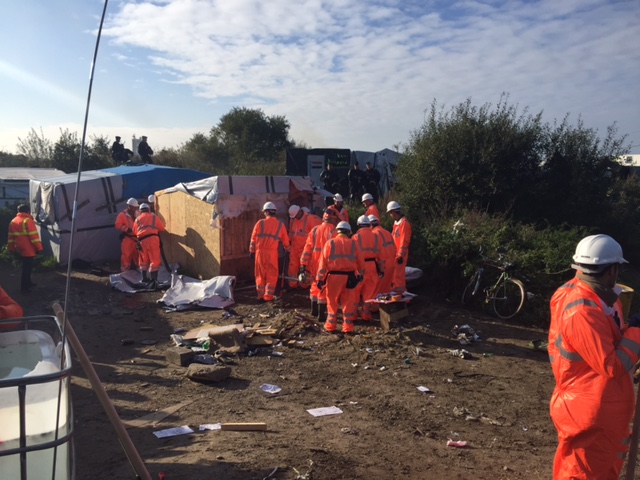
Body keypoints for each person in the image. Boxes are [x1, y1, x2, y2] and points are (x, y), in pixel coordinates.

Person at [548, 234, 640, 480]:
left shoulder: (601, 297)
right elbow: (612, 364)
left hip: (603, 407)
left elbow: (613, 339)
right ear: (612, 270)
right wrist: (637, 332)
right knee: (582, 474)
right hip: (590, 411)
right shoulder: (582, 309)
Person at [316, 221, 365, 334]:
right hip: (350, 277)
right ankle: (348, 327)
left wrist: (320, 279)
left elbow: (322, 263)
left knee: (332, 301)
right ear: (348, 232)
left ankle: (330, 326)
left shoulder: (330, 243)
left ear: (337, 230)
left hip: (333, 277)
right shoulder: (353, 244)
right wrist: (361, 275)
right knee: (348, 303)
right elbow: (361, 262)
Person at [300, 207, 339, 319]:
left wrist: (303, 264)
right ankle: (321, 314)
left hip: (314, 262)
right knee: (324, 286)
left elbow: (307, 249)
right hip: (327, 263)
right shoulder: (334, 231)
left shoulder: (315, 230)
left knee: (314, 285)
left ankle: (314, 310)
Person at [249, 202, 291, 302]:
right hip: (272, 253)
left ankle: (260, 295)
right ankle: (268, 296)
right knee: (272, 274)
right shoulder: (280, 225)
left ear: (267, 212)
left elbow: (253, 238)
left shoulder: (260, 223)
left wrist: (252, 251)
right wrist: (288, 249)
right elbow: (286, 241)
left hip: (260, 253)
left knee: (260, 274)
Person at [351, 215, 384, 321]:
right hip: (372, 266)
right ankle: (366, 314)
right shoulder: (375, 237)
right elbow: (380, 255)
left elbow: (352, 255)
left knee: (355, 291)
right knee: (369, 292)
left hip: (360, 267)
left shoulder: (356, 237)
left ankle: (353, 314)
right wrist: (381, 269)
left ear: (358, 225)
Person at [8, 204, 43, 293]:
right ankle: (24, 288)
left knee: (27, 266)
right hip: (28, 247)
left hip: (19, 247)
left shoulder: (13, 221)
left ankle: (29, 283)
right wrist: (39, 248)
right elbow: (34, 236)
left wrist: (11, 249)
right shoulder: (28, 220)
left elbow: (11, 237)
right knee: (27, 268)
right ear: (27, 211)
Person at [287, 205, 321, 289]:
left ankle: (305, 284)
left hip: (305, 249)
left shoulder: (310, 219)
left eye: (296, 216)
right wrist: (288, 243)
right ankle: (293, 284)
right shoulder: (293, 220)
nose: (295, 218)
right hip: (294, 248)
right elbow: (291, 233)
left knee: (306, 267)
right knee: (293, 267)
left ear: (300, 212)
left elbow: (316, 234)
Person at [133, 203, 165, 289]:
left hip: (142, 241)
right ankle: (154, 280)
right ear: (149, 210)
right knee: (154, 260)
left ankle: (144, 279)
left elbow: (134, 231)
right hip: (153, 239)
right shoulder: (154, 217)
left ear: (140, 211)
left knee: (143, 259)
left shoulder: (137, 219)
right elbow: (161, 228)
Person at [387, 201, 412, 293]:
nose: (390, 215)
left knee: (399, 276)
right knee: (395, 276)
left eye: (390, 213)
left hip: (400, 255)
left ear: (393, 212)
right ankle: (397, 295)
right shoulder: (397, 223)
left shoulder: (404, 224)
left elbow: (404, 241)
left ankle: (403, 297)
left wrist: (401, 255)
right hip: (396, 254)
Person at [370, 215, 396, 296]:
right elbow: (394, 248)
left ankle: (376, 307)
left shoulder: (373, 234)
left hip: (382, 265)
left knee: (378, 289)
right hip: (392, 264)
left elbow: (374, 252)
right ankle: (386, 307)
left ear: (370, 225)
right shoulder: (387, 232)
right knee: (387, 288)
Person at [115, 198, 140, 272]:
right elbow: (117, 225)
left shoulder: (138, 213)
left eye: (136, 207)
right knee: (126, 255)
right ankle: (125, 271)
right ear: (129, 206)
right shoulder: (122, 215)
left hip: (137, 238)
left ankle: (139, 270)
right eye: (134, 207)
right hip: (127, 238)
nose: (135, 209)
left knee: (138, 255)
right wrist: (126, 229)